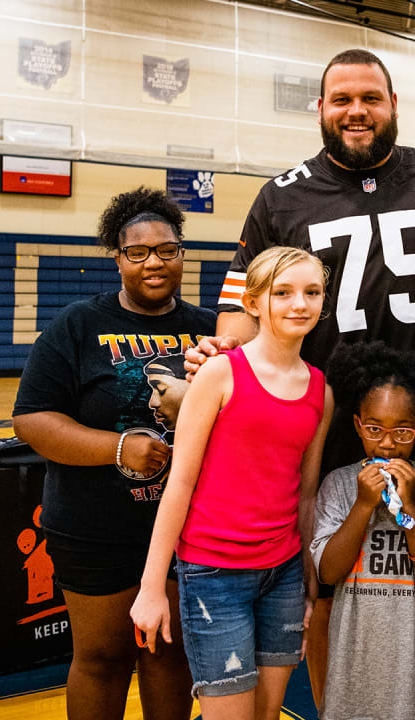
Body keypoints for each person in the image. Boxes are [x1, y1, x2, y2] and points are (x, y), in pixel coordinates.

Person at [187, 47, 415, 711]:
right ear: (320, 109)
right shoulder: (282, 195)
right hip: (323, 418)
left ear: (393, 106)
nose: (357, 111)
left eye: (370, 98)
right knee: (324, 584)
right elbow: (241, 300)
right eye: (342, 99)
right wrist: (225, 357)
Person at [11, 186, 214, 720]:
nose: (154, 262)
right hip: (93, 526)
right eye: (137, 252)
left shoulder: (207, 330)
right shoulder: (77, 325)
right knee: (102, 657)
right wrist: (118, 447)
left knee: (169, 652)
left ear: (182, 254)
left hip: (182, 528)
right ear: (117, 258)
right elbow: (32, 418)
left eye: (166, 249)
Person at [131, 246, 333, 720]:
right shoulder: (221, 374)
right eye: (282, 293)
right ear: (253, 302)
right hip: (214, 577)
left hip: (282, 575)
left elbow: (305, 494)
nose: (299, 304)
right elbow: (179, 482)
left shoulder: (320, 390)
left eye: (312, 292)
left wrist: (306, 579)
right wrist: (152, 585)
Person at [310, 341, 415, 720]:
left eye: (402, 431)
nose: (388, 443)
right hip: (353, 668)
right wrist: (362, 505)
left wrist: (409, 507)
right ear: (358, 425)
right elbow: (328, 572)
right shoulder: (340, 486)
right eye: (375, 428)